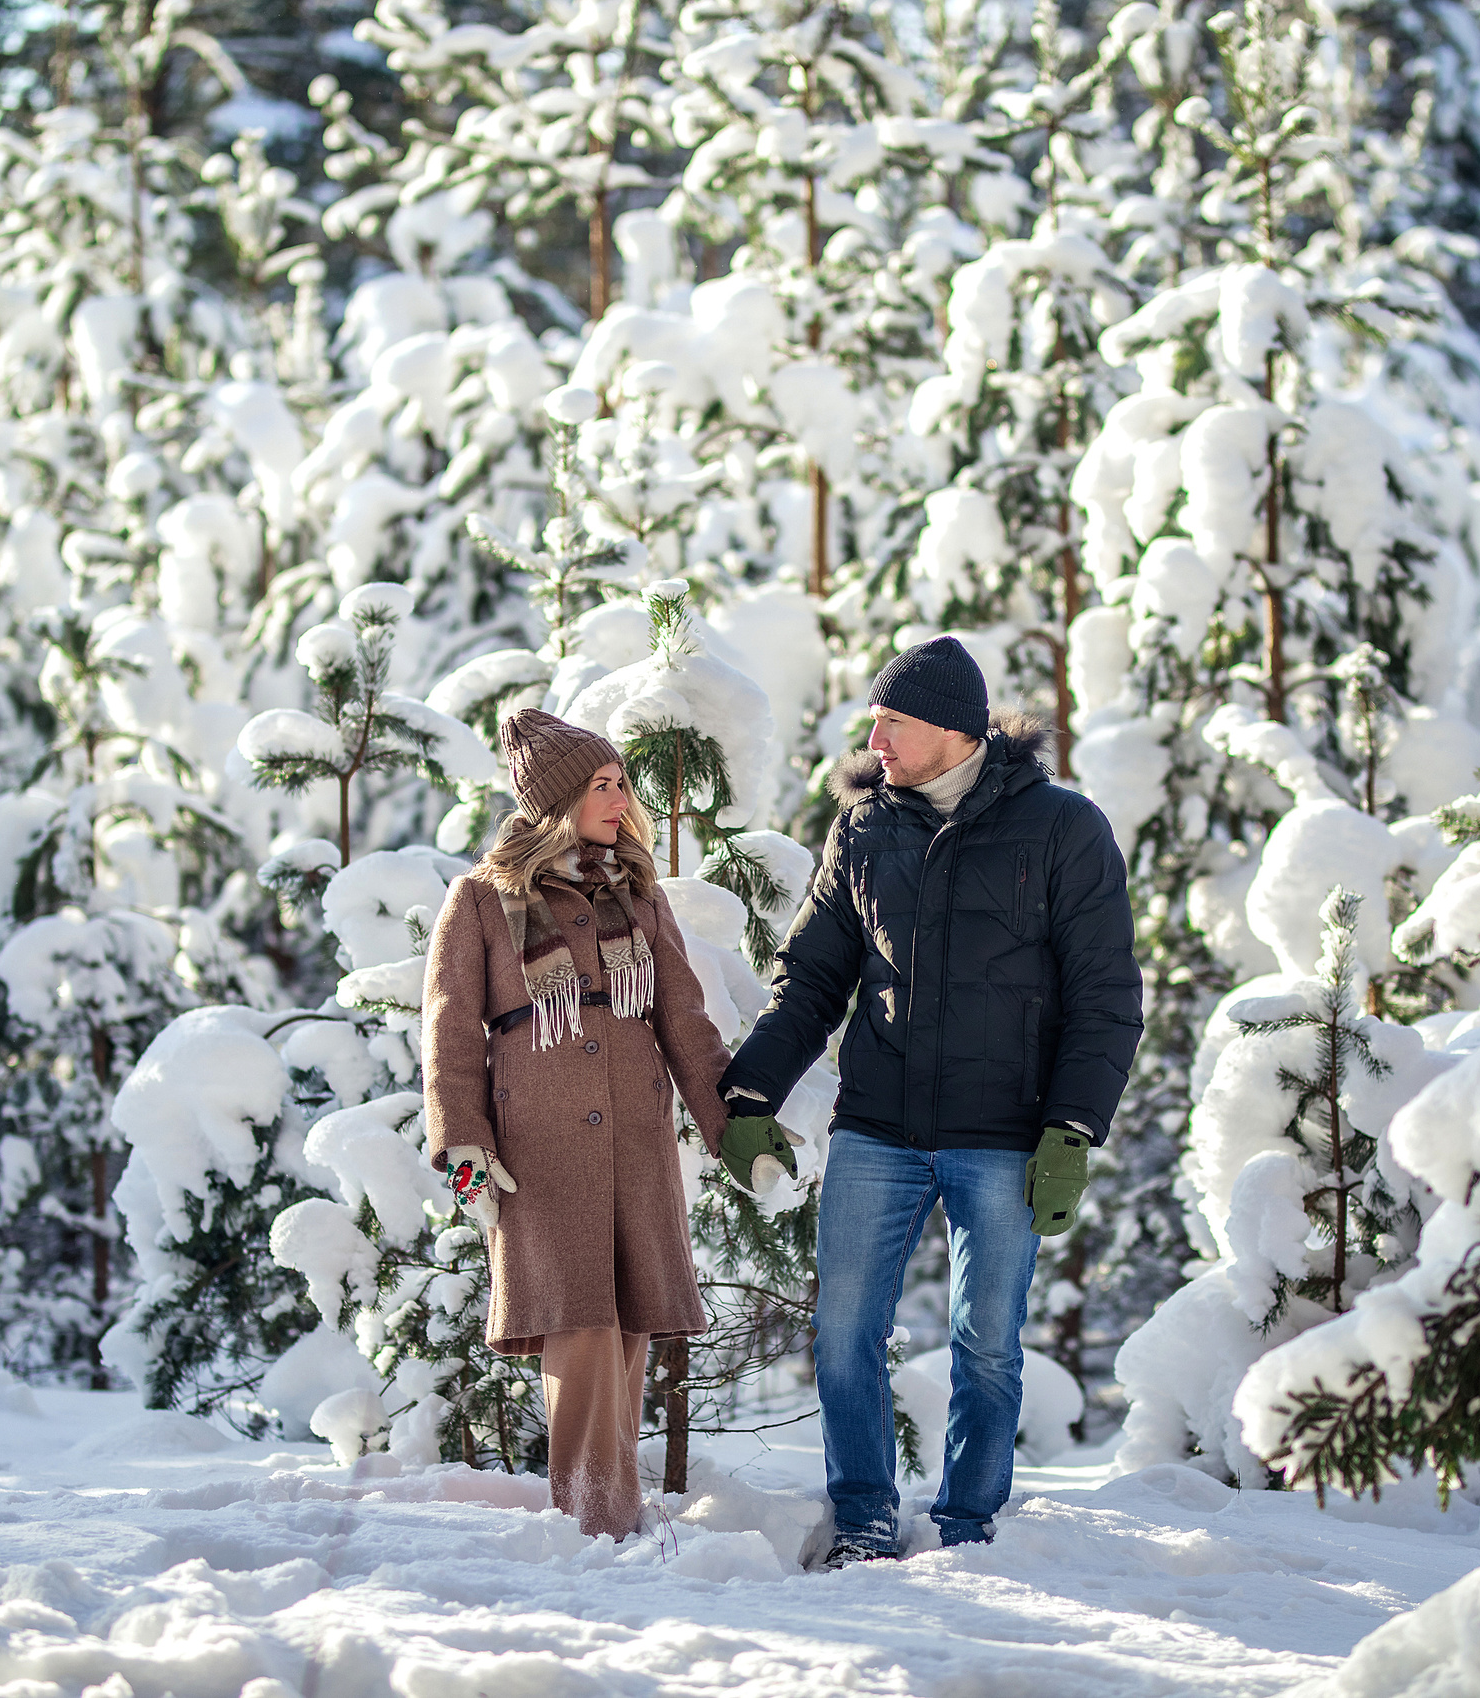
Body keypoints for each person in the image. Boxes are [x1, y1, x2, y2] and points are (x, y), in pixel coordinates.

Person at [716, 637, 1143, 1564]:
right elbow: (811, 983)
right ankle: (864, 1510)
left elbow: (1106, 993)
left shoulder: (1063, 827)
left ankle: (965, 1521)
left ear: (953, 728)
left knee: (986, 1340)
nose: (874, 738)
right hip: (879, 1123)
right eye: (873, 719)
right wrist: (750, 1092)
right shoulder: (865, 828)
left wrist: (1072, 1128)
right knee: (842, 1333)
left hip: (1004, 1132)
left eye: (892, 720)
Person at [420, 708, 732, 1541]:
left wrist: (734, 1125)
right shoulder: (482, 899)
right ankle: (598, 1526)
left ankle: (606, 1519)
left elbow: (686, 1022)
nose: (621, 797)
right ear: (558, 799)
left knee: (626, 1331)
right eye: (603, 784)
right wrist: (465, 1152)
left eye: (622, 781)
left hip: (636, 1146)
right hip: (542, 1155)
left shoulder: (637, 894)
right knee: (583, 1334)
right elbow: (451, 1034)